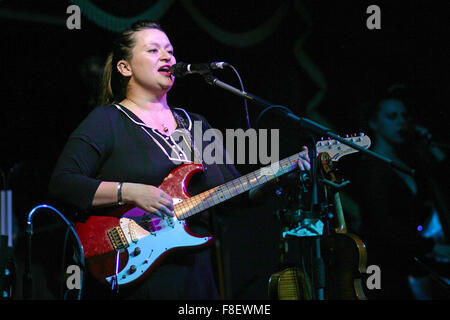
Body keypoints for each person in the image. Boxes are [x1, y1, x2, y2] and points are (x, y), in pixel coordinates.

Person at [48, 20, 310, 300]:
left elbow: (233, 194)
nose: (167, 57)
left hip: (196, 275)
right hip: (134, 270)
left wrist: (281, 172)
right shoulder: (107, 121)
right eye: (153, 50)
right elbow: (63, 183)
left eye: (170, 51)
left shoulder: (195, 125)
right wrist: (130, 191)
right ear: (124, 68)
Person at [348, 89, 450, 299]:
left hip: (416, 263)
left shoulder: (411, 164)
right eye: (392, 117)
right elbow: (382, 223)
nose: (401, 122)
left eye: (404, 116)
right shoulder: (373, 168)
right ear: (374, 123)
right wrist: (433, 247)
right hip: (389, 267)